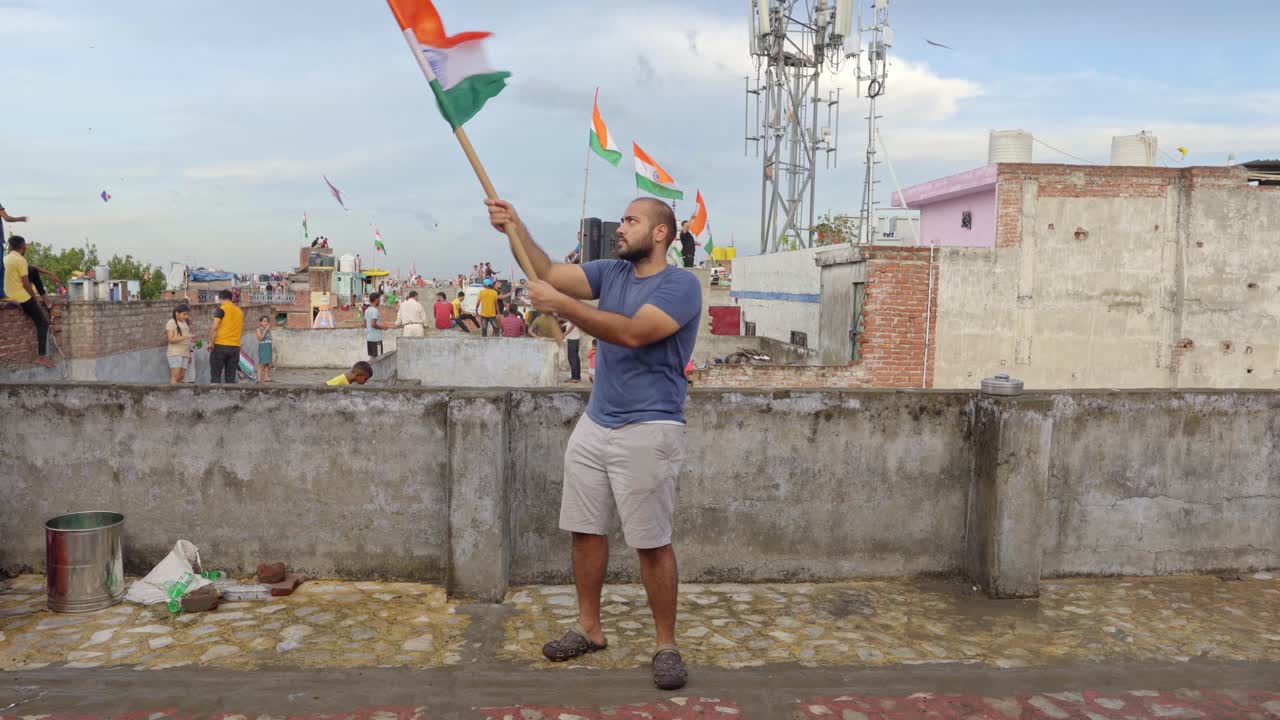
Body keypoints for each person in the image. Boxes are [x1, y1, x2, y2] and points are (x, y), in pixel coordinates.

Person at [484, 195, 701, 691]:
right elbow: (546, 270)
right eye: (621, 220)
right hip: (596, 421)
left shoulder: (680, 286)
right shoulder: (612, 273)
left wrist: (567, 309)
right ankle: (589, 628)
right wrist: (514, 227)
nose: (620, 228)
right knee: (584, 530)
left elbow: (632, 334)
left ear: (661, 233)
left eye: (631, 221)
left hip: (650, 428)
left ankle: (665, 643)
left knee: (651, 542)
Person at [3, 236, 53, 368]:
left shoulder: (6, 258)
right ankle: (41, 357)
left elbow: (33, 268)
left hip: (7, 295)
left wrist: (48, 272)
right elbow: (25, 283)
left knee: (33, 271)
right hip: (20, 297)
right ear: (22, 247)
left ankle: (45, 299)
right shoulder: (20, 260)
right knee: (42, 323)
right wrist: (34, 297)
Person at [207, 289, 244, 383]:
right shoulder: (240, 311)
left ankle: (216, 396)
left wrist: (211, 343)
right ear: (231, 299)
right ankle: (230, 396)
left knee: (216, 375)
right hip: (235, 348)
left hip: (220, 346)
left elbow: (214, 327)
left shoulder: (221, 309)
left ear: (220, 299)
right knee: (231, 377)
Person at [164, 304, 193, 384]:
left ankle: (178, 394)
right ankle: (172, 395)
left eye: (187, 314)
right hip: (175, 353)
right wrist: (185, 336)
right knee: (175, 376)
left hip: (185, 352)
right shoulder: (171, 322)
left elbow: (186, 337)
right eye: (184, 314)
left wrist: (189, 353)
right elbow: (170, 339)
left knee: (181, 376)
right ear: (177, 313)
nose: (186, 316)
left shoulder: (184, 322)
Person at [365, 292, 388, 359]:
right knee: (378, 358)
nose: (380, 301)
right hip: (376, 339)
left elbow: (365, 323)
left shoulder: (367, 310)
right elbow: (373, 324)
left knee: (372, 358)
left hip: (369, 338)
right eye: (379, 299)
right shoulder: (375, 311)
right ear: (376, 299)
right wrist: (382, 327)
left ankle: (370, 369)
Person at [255, 316, 273, 383]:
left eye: (267, 321)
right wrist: (265, 330)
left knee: (267, 363)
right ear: (260, 322)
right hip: (263, 347)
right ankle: (259, 379)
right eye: (264, 321)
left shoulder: (269, 330)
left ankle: (266, 377)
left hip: (268, 346)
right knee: (261, 363)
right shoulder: (258, 329)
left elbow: (270, 338)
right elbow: (260, 338)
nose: (266, 323)